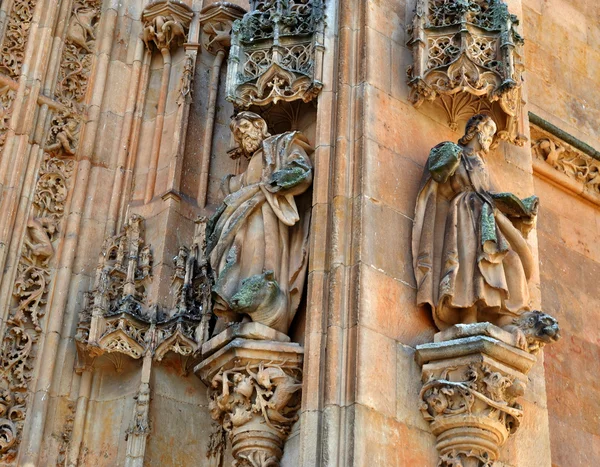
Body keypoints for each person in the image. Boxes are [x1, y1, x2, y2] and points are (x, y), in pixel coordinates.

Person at [412, 114, 539, 331]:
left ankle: (510, 312)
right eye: (488, 131)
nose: (490, 137)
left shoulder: (482, 164)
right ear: (476, 130)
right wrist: (449, 156)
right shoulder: (456, 154)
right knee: (467, 261)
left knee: (509, 259)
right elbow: (438, 173)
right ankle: (468, 313)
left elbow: (495, 194)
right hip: (463, 212)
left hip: (487, 216)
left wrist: (520, 207)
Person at [206, 112, 313, 334]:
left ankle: (263, 310)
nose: (242, 133)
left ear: (259, 125)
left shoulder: (281, 144)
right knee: (238, 259)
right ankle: (240, 312)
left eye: (244, 127)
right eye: (238, 133)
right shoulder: (249, 167)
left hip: (267, 215)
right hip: (244, 220)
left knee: (262, 258)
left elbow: (301, 170)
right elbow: (236, 189)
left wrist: (273, 183)